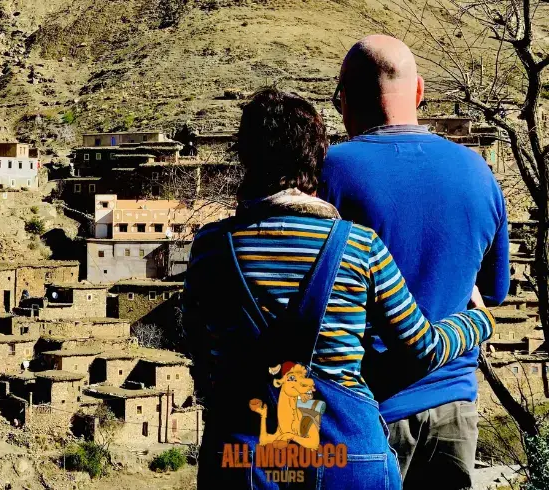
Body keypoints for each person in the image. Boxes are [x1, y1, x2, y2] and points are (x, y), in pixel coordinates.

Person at [183, 88, 495, 489]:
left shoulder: (210, 248)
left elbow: (200, 351)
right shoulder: (358, 247)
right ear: (317, 158)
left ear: (245, 158)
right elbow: (423, 347)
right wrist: (478, 322)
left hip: (244, 460)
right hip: (347, 458)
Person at [321, 35, 510, 489]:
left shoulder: (330, 172)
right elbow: (495, 293)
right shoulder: (477, 171)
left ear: (345, 100)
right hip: (455, 409)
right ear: (420, 91)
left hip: (365, 415)